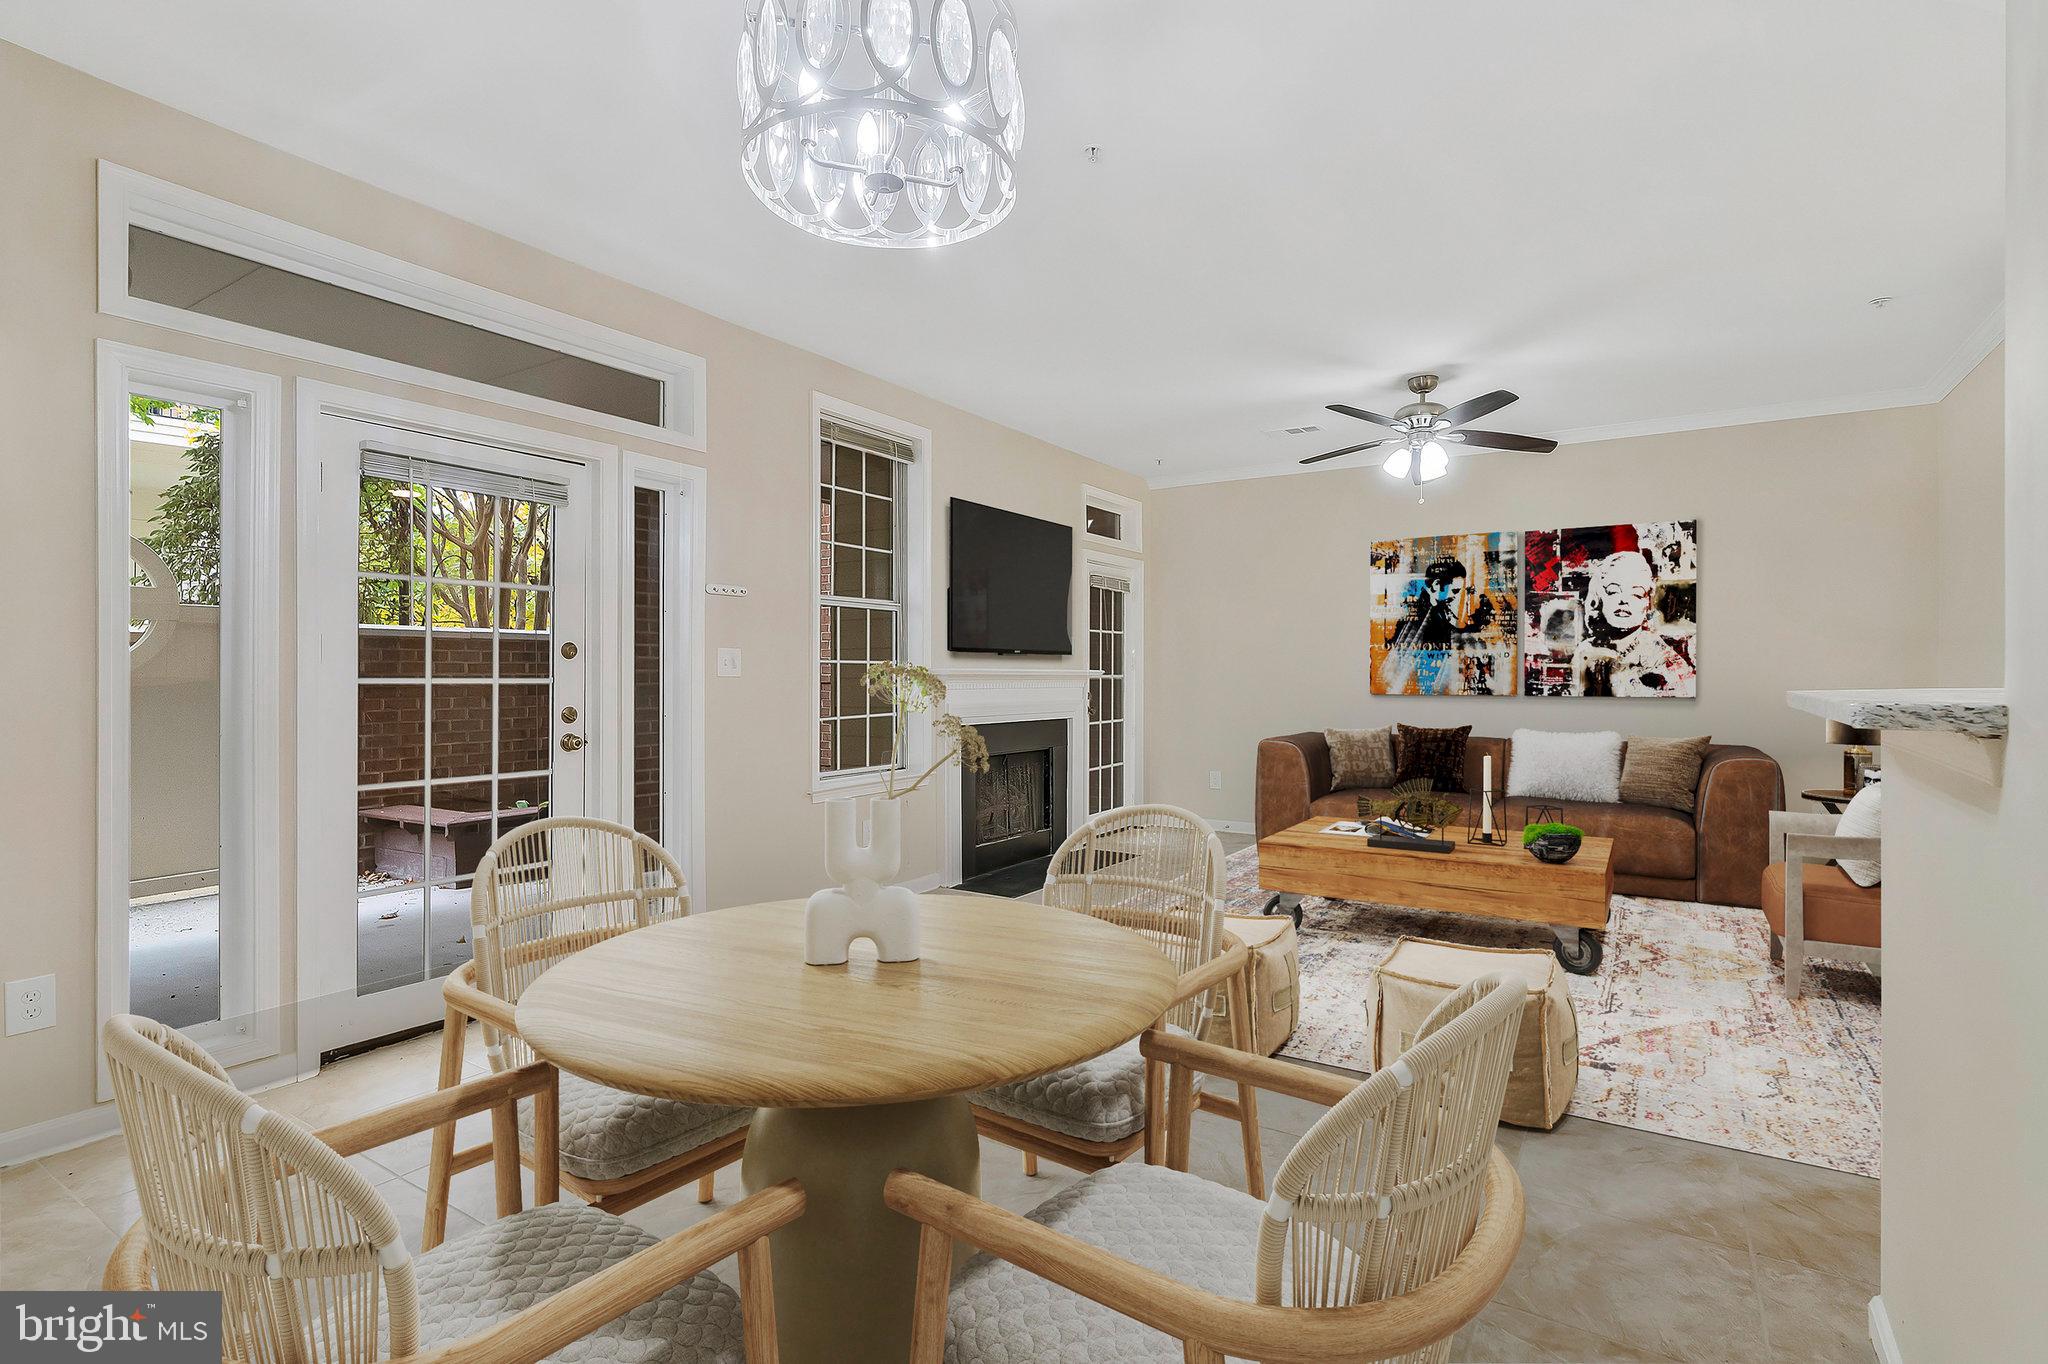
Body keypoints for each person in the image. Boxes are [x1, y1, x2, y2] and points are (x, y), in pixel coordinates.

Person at [1571, 551, 1696, 696]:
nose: (1623, 600)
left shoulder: (1660, 657)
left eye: (1636, 594)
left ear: (1647, 602)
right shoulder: (1585, 650)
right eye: (1613, 591)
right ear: (1598, 597)